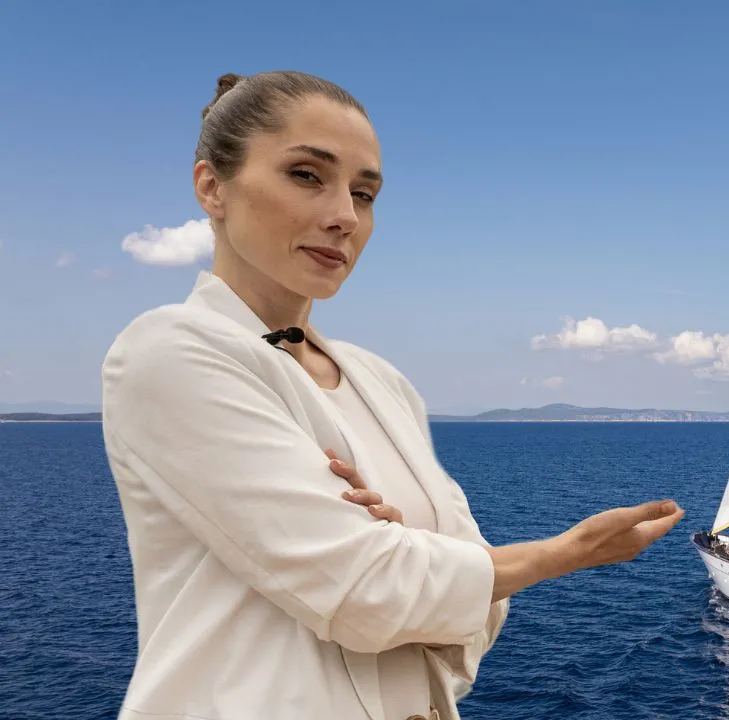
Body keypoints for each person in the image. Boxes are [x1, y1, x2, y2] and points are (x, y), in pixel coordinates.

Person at [100, 70, 685, 720]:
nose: (344, 217)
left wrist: (415, 561)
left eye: (365, 193)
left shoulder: (381, 381)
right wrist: (553, 556)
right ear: (212, 186)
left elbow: (478, 616)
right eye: (306, 175)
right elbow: (366, 594)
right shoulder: (170, 352)